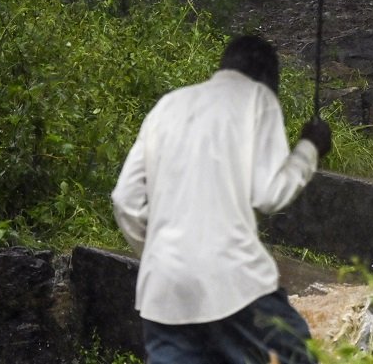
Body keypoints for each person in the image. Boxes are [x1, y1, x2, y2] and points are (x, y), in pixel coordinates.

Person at [112, 35, 332, 364]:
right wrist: (309, 147)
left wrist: (163, 256)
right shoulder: (258, 98)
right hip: (234, 285)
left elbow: (125, 200)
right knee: (298, 354)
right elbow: (269, 194)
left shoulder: (168, 105)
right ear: (270, 79)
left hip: (164, 291)